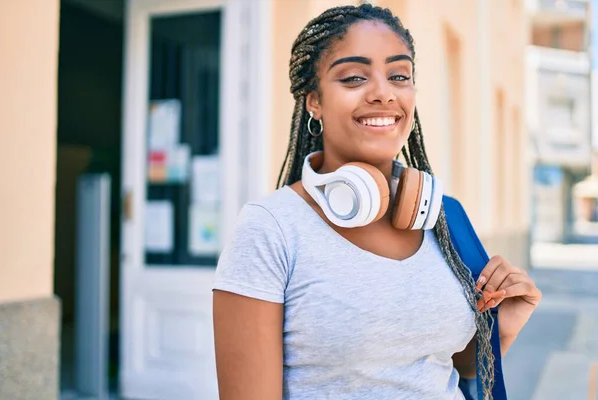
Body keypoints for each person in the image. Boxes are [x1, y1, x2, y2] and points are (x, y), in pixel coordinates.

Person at [212, 4, 541, 400]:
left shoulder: (444, 216)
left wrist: (502, 324)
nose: (384, 93)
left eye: (399, 75)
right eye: (354, 77)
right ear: (314, 100)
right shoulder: (271, 228)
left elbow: (452, 366)